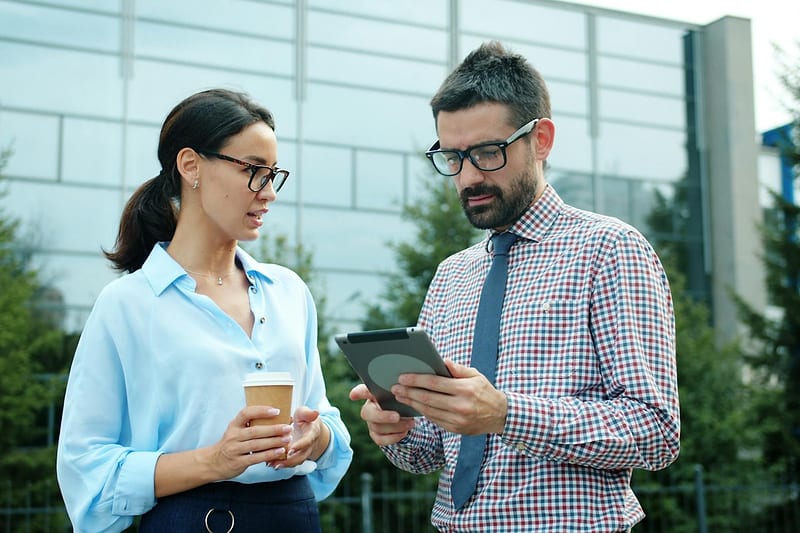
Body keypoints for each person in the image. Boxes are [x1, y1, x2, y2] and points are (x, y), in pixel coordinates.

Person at [350, 41, 680, 532]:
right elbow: (430, 453)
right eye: (452, 157)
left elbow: (656, 431)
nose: (467, 177)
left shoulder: (610, 249)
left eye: (487, 152)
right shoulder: (451, 275)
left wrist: (505, 415)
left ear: (541, 140)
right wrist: (398, 430)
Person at [56, 88, 352, 532]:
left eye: (273, 175)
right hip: (193, 520)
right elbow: (86, 466)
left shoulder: (289, 292)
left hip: (295, 516)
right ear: (191, 165)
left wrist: (317, 437)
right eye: (253, 171)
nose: (269, 193)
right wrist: (215, 460)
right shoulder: (127, 305)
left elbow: (323, 418)